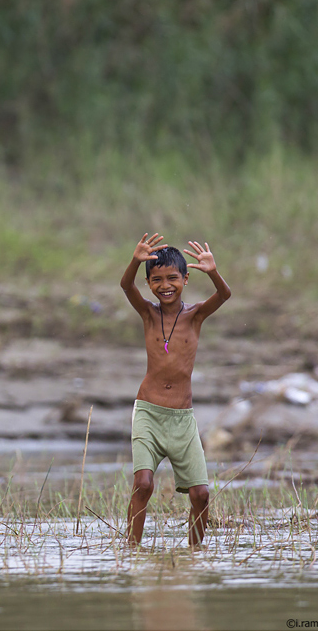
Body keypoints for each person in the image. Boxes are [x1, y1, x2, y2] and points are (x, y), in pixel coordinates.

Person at [119, 234, 231, 547]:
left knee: (201, 493)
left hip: (182, 420)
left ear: (185, 278)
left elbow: (225, 294)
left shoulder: (195, 316)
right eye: (156, 280)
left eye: (172, 278)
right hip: (149, 414)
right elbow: (125, 287)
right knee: (143, 483)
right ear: (148, 282)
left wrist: (213, 271)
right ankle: (131, 550)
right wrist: (134, 260)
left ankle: (194, 553)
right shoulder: (148, 314)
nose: (165, 285)